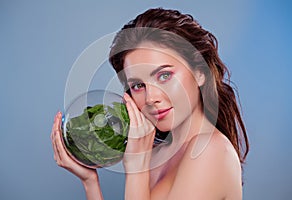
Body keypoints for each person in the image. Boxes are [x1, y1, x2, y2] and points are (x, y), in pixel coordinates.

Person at [51, 8, 249, 199]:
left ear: (200, 72)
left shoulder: (212, 151)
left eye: (164, 75)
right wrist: (89, 182)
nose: (150, 98)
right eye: (138, 85)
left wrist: (136, 167)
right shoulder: (155, 154)